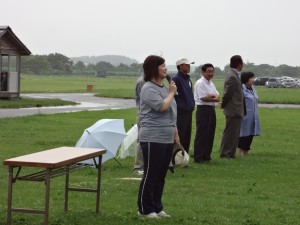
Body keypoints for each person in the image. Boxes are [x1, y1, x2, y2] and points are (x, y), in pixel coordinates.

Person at [137, 55, 179, 218]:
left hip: (167, 135)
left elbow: (171, 110)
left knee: (161, 174)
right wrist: (171, 93)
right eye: (162, 65)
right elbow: (162, 107)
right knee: (151, 173)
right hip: (152, 136)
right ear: (154, 68)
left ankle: (156, 206)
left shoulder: (163, 87)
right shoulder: (148, 87)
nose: (166, 68)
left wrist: (175, 131)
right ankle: (144, 209)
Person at [219, 55, 245, 158]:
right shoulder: (232, 76)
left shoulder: (235, 75)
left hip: (236, 109)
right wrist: (223, 104)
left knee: (234, 133)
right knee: (230, 133)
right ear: (240, 64)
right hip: (233, 109)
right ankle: (225, 153)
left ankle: (230, 152)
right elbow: (227, 94)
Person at [193, 64, 219, 163]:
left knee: (210, 133)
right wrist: (212, 97)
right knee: (202, 133)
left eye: (212, 71)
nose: (210, 73)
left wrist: (211, 97)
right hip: (203, 109)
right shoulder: (200, 83)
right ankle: (198, 156)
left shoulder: (211, 83)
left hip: (211, 109)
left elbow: (217, 97)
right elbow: (203, 98)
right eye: (208, 71)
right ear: (203, 72)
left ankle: (206, 155)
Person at [172, 57, 195, 153]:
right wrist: (181, 106)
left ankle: (185, 155)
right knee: (180, 135)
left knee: (187, 135)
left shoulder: (188, 79)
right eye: (187, 65)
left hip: (188, 111)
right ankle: (177, 157)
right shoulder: (176, 79)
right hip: (180, 112)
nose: (189, 66)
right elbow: (173, 96)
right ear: (180, 66)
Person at [238, 72, 261, 155]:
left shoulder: (252, 88)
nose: (253, 80)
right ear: (245, 79)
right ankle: (240, 151)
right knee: (243, 133)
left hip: (253, 115)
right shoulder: (241, 89)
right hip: (245, 115)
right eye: (251, 78)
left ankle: (246, 150)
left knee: (251, 132)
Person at [132, 74, 145, 175]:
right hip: (144, 114)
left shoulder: (150, 80)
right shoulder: (142, 81)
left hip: (149, 114)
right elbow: (143, 101)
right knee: (142, 140)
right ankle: (139, 167)